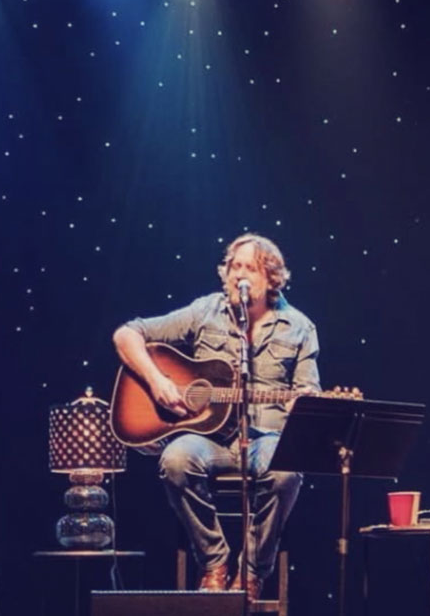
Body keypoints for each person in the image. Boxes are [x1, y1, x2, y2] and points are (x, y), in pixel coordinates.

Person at [113, 233, 320, 600]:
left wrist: (303, 404)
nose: (238, 274)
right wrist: (158, 380)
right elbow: (126, 334)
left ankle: (253, 571)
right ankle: (214, 562)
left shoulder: (300, 327)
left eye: (249, 268)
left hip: (266, 439)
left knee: (287, 470)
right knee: (175, 460)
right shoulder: (204, 311)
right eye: (233, 266)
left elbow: (308, 392)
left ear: (272, 278)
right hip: (209, 439)